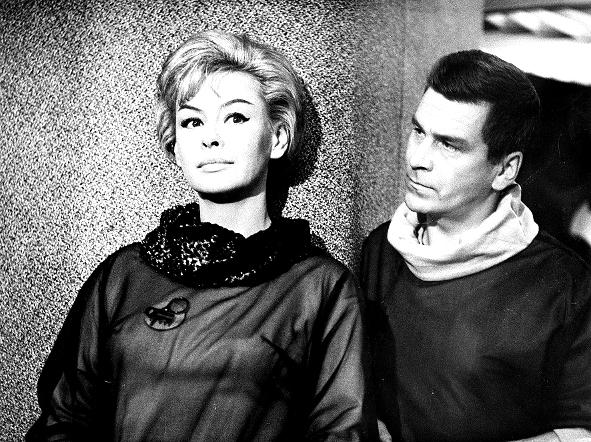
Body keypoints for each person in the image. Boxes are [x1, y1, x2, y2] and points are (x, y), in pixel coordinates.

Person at [27, 30, 376, 441]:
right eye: (192, 121)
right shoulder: (123, 275)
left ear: (278, 137)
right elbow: (64, 422)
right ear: (176, 146)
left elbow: (343, 432)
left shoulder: (320, 287)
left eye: (236, 117)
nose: (210, 136)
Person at [361, 50, 591, 442]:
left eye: (448, 145)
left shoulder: (566, 284)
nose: (417, 159)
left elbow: (581, 432)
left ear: (505, 169)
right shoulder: (382, 249)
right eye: (418, 131)